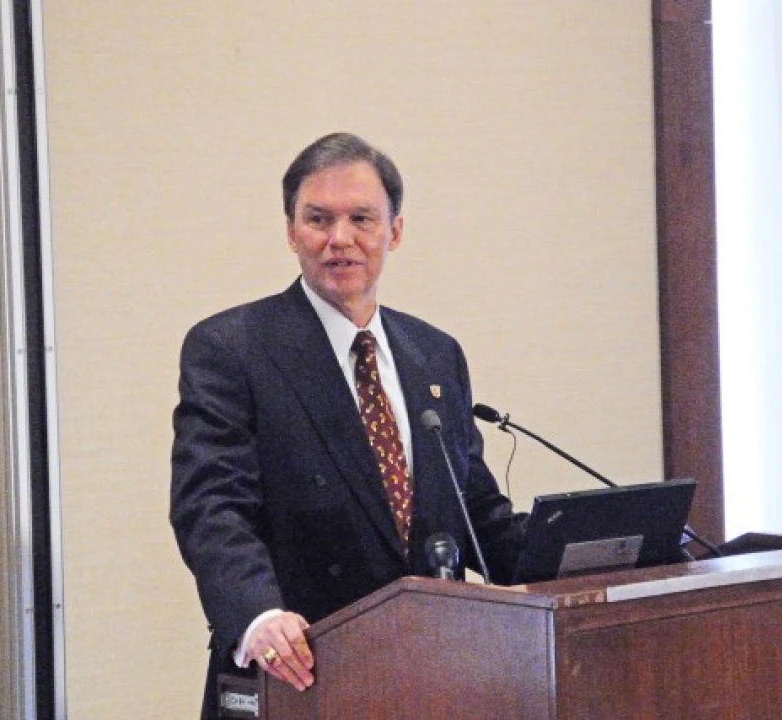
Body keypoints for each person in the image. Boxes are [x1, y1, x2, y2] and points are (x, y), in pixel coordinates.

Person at [170, 132, 527, 718]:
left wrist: (594, 552)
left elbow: (474, 511)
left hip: (430, 675)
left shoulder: (435, 355)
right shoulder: (233, 348)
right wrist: (258, 615)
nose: (340, 239)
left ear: (395, 231)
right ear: (291, 232)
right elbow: (212, 507)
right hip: (299, 671)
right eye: (318, 219)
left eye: (361, 218)